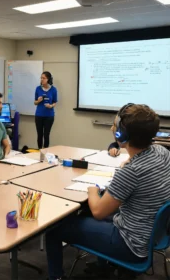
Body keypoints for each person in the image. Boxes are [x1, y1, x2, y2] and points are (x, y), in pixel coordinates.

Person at [46, 103, 170, 280]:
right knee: (87, 212)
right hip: (152, 233)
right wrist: (129, 162)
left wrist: (92, 190)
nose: (113, 128)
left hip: (130, 245)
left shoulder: (130, 172)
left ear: (121, 135)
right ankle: (103, 266)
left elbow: (98, 211)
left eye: (115, 126)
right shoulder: (162, 152)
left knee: (54, 229)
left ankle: (56, 278)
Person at [34, 71, 58, 149]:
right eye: (41, 78)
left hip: (49, 116)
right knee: (39, 134)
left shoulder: (53, 90)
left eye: (44, 78)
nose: (42, 79)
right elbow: (35, 102)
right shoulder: (38, 89)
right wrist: (38, 101)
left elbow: (55, 102)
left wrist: (51, 106)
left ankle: (45, 151)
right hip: (39, 115)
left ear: (48, 79)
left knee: (46, 134)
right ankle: (40, 150)